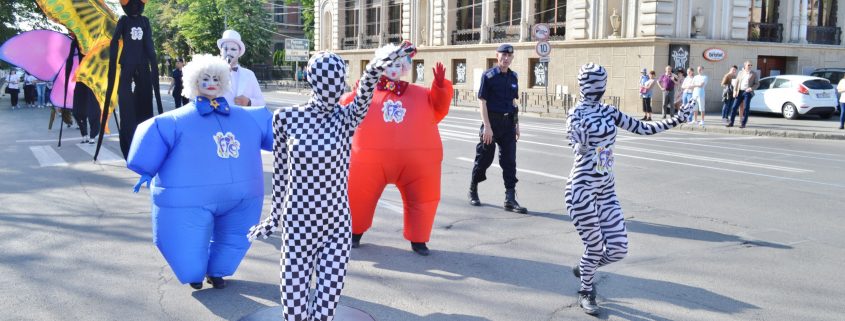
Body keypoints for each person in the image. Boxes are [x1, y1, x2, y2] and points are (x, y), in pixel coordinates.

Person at [247, 43, 416, 321]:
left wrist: (376, 66)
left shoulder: (345, 118)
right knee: (293, 309)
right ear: (313, 80)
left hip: (336, 224)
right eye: (328, 81)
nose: (334, 89)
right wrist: (274, 216)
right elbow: (280, 172)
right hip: (298, 221)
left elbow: (364, 93)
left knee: (325, 311)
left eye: (339, 82)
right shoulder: (287, 118)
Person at [127, 54, 274, 290]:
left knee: (234, 238)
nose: (211, 83)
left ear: (224, 81)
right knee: (185, 245)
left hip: (243, 197)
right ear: (194, 82)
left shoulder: (249, 118)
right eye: (205, 79)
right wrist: (145, 169)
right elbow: (155, 135)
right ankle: (194, 273)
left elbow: (275, 133)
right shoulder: (174, 122)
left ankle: (218, 271)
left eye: (216, 78)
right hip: (191, 199)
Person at [565, 63, 694, 316]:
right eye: (594, 83)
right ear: (585, 85)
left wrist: (677, 119)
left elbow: (643, 128)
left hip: (606, 188)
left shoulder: (609, 111)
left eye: (601, 82)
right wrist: (579, 143)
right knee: (594, 246)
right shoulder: (575, 114)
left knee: (619, 248)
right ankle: (586, 290)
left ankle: (584, 267)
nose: (598, 88)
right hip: (581, 188)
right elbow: (573, 141)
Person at [338, 43, 453, 256]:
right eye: (389, 63)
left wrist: (439, 86)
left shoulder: (421, 94)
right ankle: (354, 232)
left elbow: (439, 106)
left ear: (405, 67)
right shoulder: (366, 95)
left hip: (416, 163)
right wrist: (356, 92)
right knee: (357, 194)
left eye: (398, 64)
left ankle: (419, 239)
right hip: (368, 161)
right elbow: (344, 109)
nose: (393, 68)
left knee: (423, 197)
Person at [467, 43, 527, 214]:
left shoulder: (513, 77)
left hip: (508, 125)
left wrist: (516, 125)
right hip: (491, 123)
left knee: (509, 161)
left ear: (512, 57)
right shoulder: (489, 76)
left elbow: (513, 103)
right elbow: (482, 101)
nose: (506, 58)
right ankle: (473, 189)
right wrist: (486, 126)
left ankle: (510, 198)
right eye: (503, 55)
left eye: (509, 56)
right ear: (497, 56)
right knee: (484, 159)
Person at [218, 30, 265, 107]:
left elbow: (261, 102)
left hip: (242, 117)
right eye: (225, 49)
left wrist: (249, 102)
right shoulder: (212, 73)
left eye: (233, 49)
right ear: (220, 51)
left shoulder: (249, 74)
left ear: (239, 52)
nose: (229, 53)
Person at [727, 61, 759, 128]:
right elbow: (737, 82)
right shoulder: (740, 73)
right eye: (748, 65)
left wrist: (751, 88)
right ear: (745, 66)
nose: (750, 66)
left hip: (747, 92)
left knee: (746, 108)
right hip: (739, 92)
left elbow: (757, 84)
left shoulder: (754, 74)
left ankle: (743, 123)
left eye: (751, 65)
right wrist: (735, 91)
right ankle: (731, 122)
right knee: (734, 107)